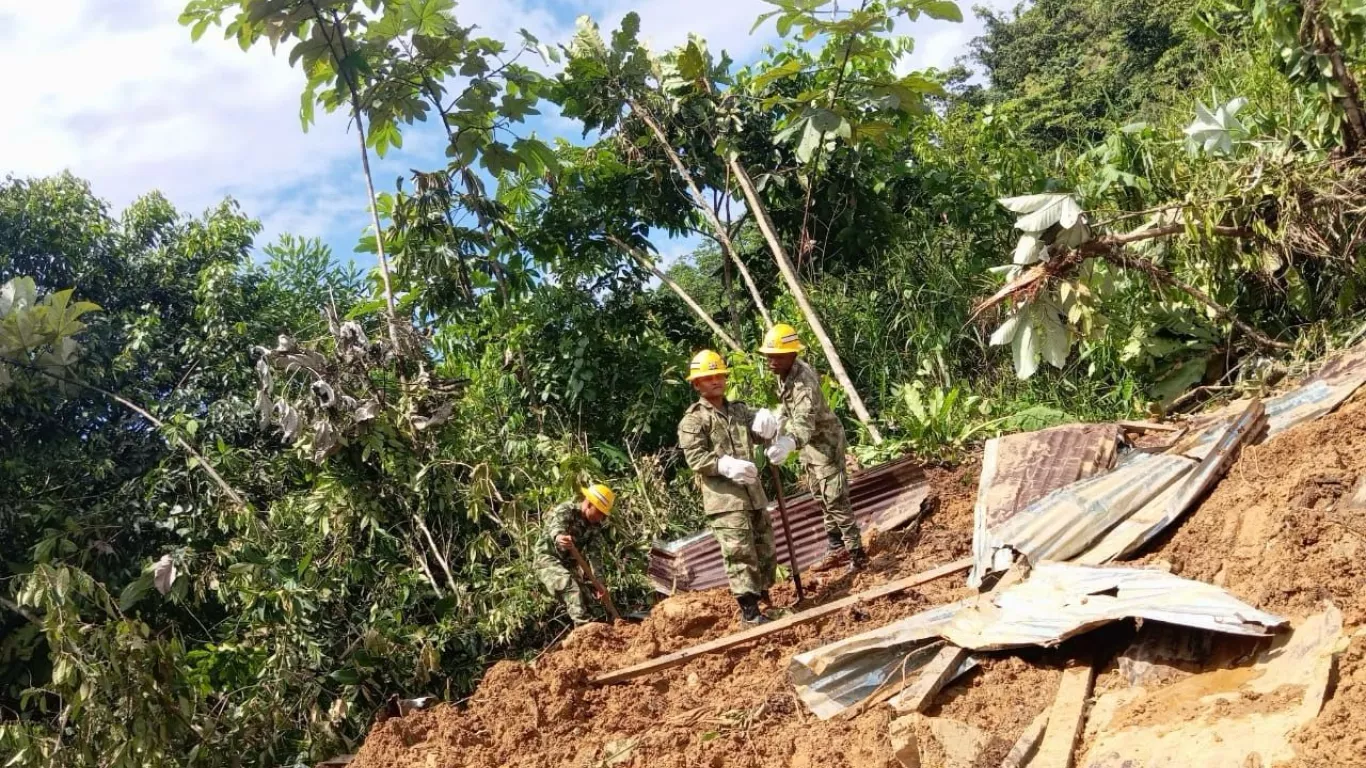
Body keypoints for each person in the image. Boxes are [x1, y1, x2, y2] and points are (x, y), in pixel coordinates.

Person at [677, 349, 783, 625]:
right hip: (726, 501)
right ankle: (750, 613)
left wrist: (767, 423)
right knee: (740, 554)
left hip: (752, 494)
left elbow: (759, 432)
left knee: (764, 549)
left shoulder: (738, 410)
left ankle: (764, 602)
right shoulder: (693, 420)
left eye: (720, 376)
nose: (716, 381)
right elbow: (696, 458)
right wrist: (724, 465)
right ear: (696, 384)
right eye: (708, 377)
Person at [755, 323, 869, 573]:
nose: (771, 361)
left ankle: (857, 554)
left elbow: (805, 426)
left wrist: (787, 443)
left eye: (777, 356)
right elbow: (788, 408)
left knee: (836, 499)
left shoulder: (803, 384)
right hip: (810, 448)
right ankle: (835, 545)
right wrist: (778, 420)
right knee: (820, 496)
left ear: (792, 354)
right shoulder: (784, 374)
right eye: (768, 356)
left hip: (825, 445)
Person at [532, 483, 616, 626]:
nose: (600, 517)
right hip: (547, 560)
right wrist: (559, 537)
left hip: (568, 564)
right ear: (589, 504)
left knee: (591, 602)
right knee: (572, 589)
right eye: (599, 512)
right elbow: (556, 528)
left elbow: (594, 556)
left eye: (603, 514)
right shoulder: (567, 510)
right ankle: (585, 635)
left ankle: (604, 633)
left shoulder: (594, 526)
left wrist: (600, 584)